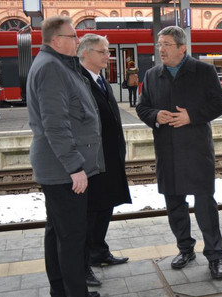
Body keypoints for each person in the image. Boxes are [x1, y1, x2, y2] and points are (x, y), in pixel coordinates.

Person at [136, 26, 222, 279]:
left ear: (182, 47)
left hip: (197, 151)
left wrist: (191, 116)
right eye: (159, 44)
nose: (161, 49)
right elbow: (142, 107)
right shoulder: (153, 75)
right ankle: (185, 249)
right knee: (175, 205)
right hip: (167, 151)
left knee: (205, 206)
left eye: (166, 44)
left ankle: (215, 256)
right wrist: (155, 115)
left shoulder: (204, 71)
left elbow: (220, 103)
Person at [26, 16, 103, 297]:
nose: (78, 40)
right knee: (71, 237)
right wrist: (75, 167)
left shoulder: (56, 64)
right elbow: (55, 123)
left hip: (58, 168)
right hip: (62, 170)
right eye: (74, 36)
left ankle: (61, 290)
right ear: (57, 40)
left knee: (57, 232)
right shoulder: (51, 69)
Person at [77, 33, 132, 287]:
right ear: (86, 53)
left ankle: (99, 251)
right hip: (92, 159)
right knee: (91, 211)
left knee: (106, 205)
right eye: (103, 52)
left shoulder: (101, 80)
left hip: (109, 156)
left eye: (108, 51)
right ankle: (83, 263)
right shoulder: (79, 81)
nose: (107, 56)